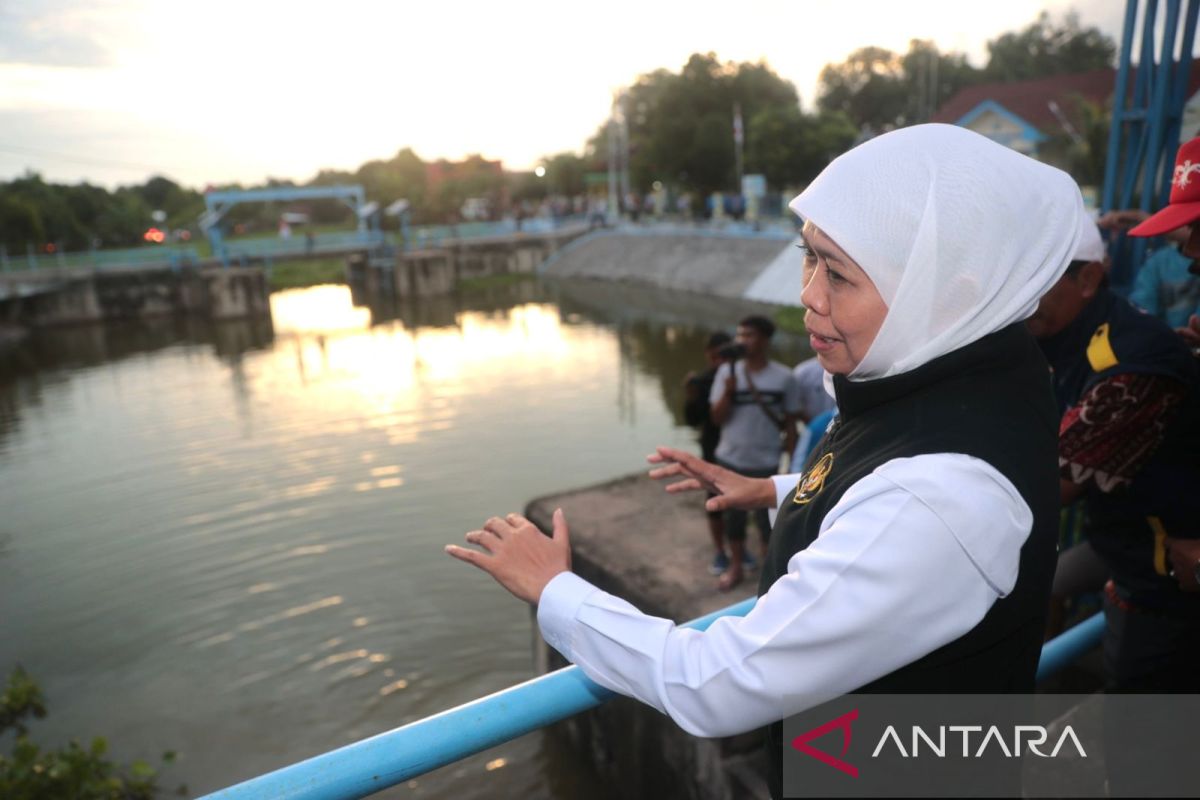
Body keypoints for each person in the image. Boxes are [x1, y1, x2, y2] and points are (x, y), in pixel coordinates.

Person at [446, 124, 1081, 799]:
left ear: (946, 293)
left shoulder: (938, 497)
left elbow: (717, 684)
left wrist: (557, 592)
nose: (808, 294)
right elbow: (892, 504)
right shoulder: (981, 370)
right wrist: (781, 489)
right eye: (808, 257)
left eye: (838, 273)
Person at [1027, 208, 1200, 695]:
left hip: (1165, 597)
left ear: (1088, 280)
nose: (1020, 298)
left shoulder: (1132, 362)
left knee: (1146, 755)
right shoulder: (1066, 337)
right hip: (1134, 568)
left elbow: (1046, 487)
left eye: (1038, 282)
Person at [706, 315, 800, 590]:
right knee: (733, 519)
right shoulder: (726, 373)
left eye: (750, 335)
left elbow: (791, 424)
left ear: (766, 339)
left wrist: (792, 465)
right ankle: (735, 566)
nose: (743, 341)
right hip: (731, 460)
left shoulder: (785, 377)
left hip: (767, 463)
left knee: (769, 523)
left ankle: (768, 571)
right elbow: (716, 418)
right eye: (740, 335)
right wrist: (728, 392)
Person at [682, 331, 734, 577]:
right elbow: (692, 420)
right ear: (708, 355)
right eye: (715, 356)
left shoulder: (743, 377)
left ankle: (738, 549)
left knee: (742, 503)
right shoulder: (702, 382)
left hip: (741, 450)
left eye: (724, 355)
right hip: (713, 449)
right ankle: (721, 551)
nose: (719, 361)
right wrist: (691, 397)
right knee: (714, 502)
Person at [789, 356, 837, 467]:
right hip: (814, 430)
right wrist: (816, 424)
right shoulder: (803, 371)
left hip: (843, 426)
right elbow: (794, 405)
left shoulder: (852, 366)